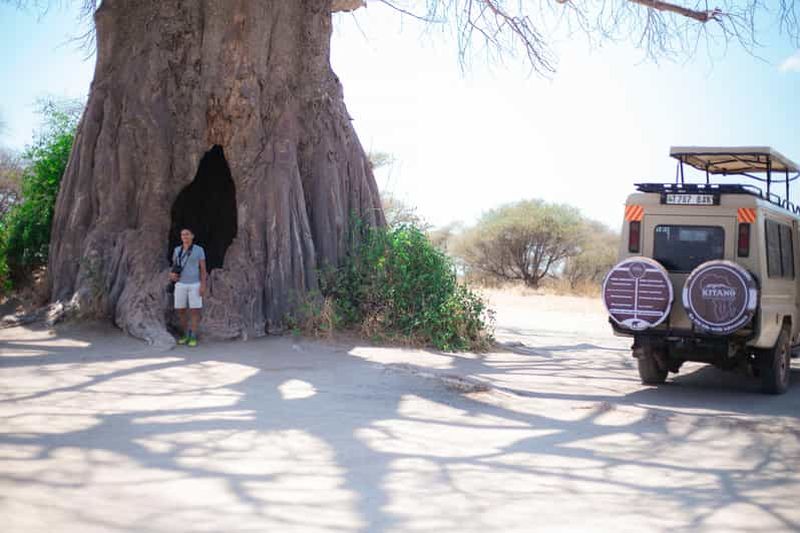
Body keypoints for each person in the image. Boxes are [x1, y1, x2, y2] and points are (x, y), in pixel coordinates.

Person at [169, 228, 207, 347]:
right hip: (180, 284)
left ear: (192, 236)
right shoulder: (177, 250)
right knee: (180, 310)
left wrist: (203, 285)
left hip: (195, 284)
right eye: (182, 234)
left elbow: (203, 269)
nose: (184, 236)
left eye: (187, 234)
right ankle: (185, 334)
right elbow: (174, 266)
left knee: (194, 310)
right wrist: (171, 275)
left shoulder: (199, 250)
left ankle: (193, 335)